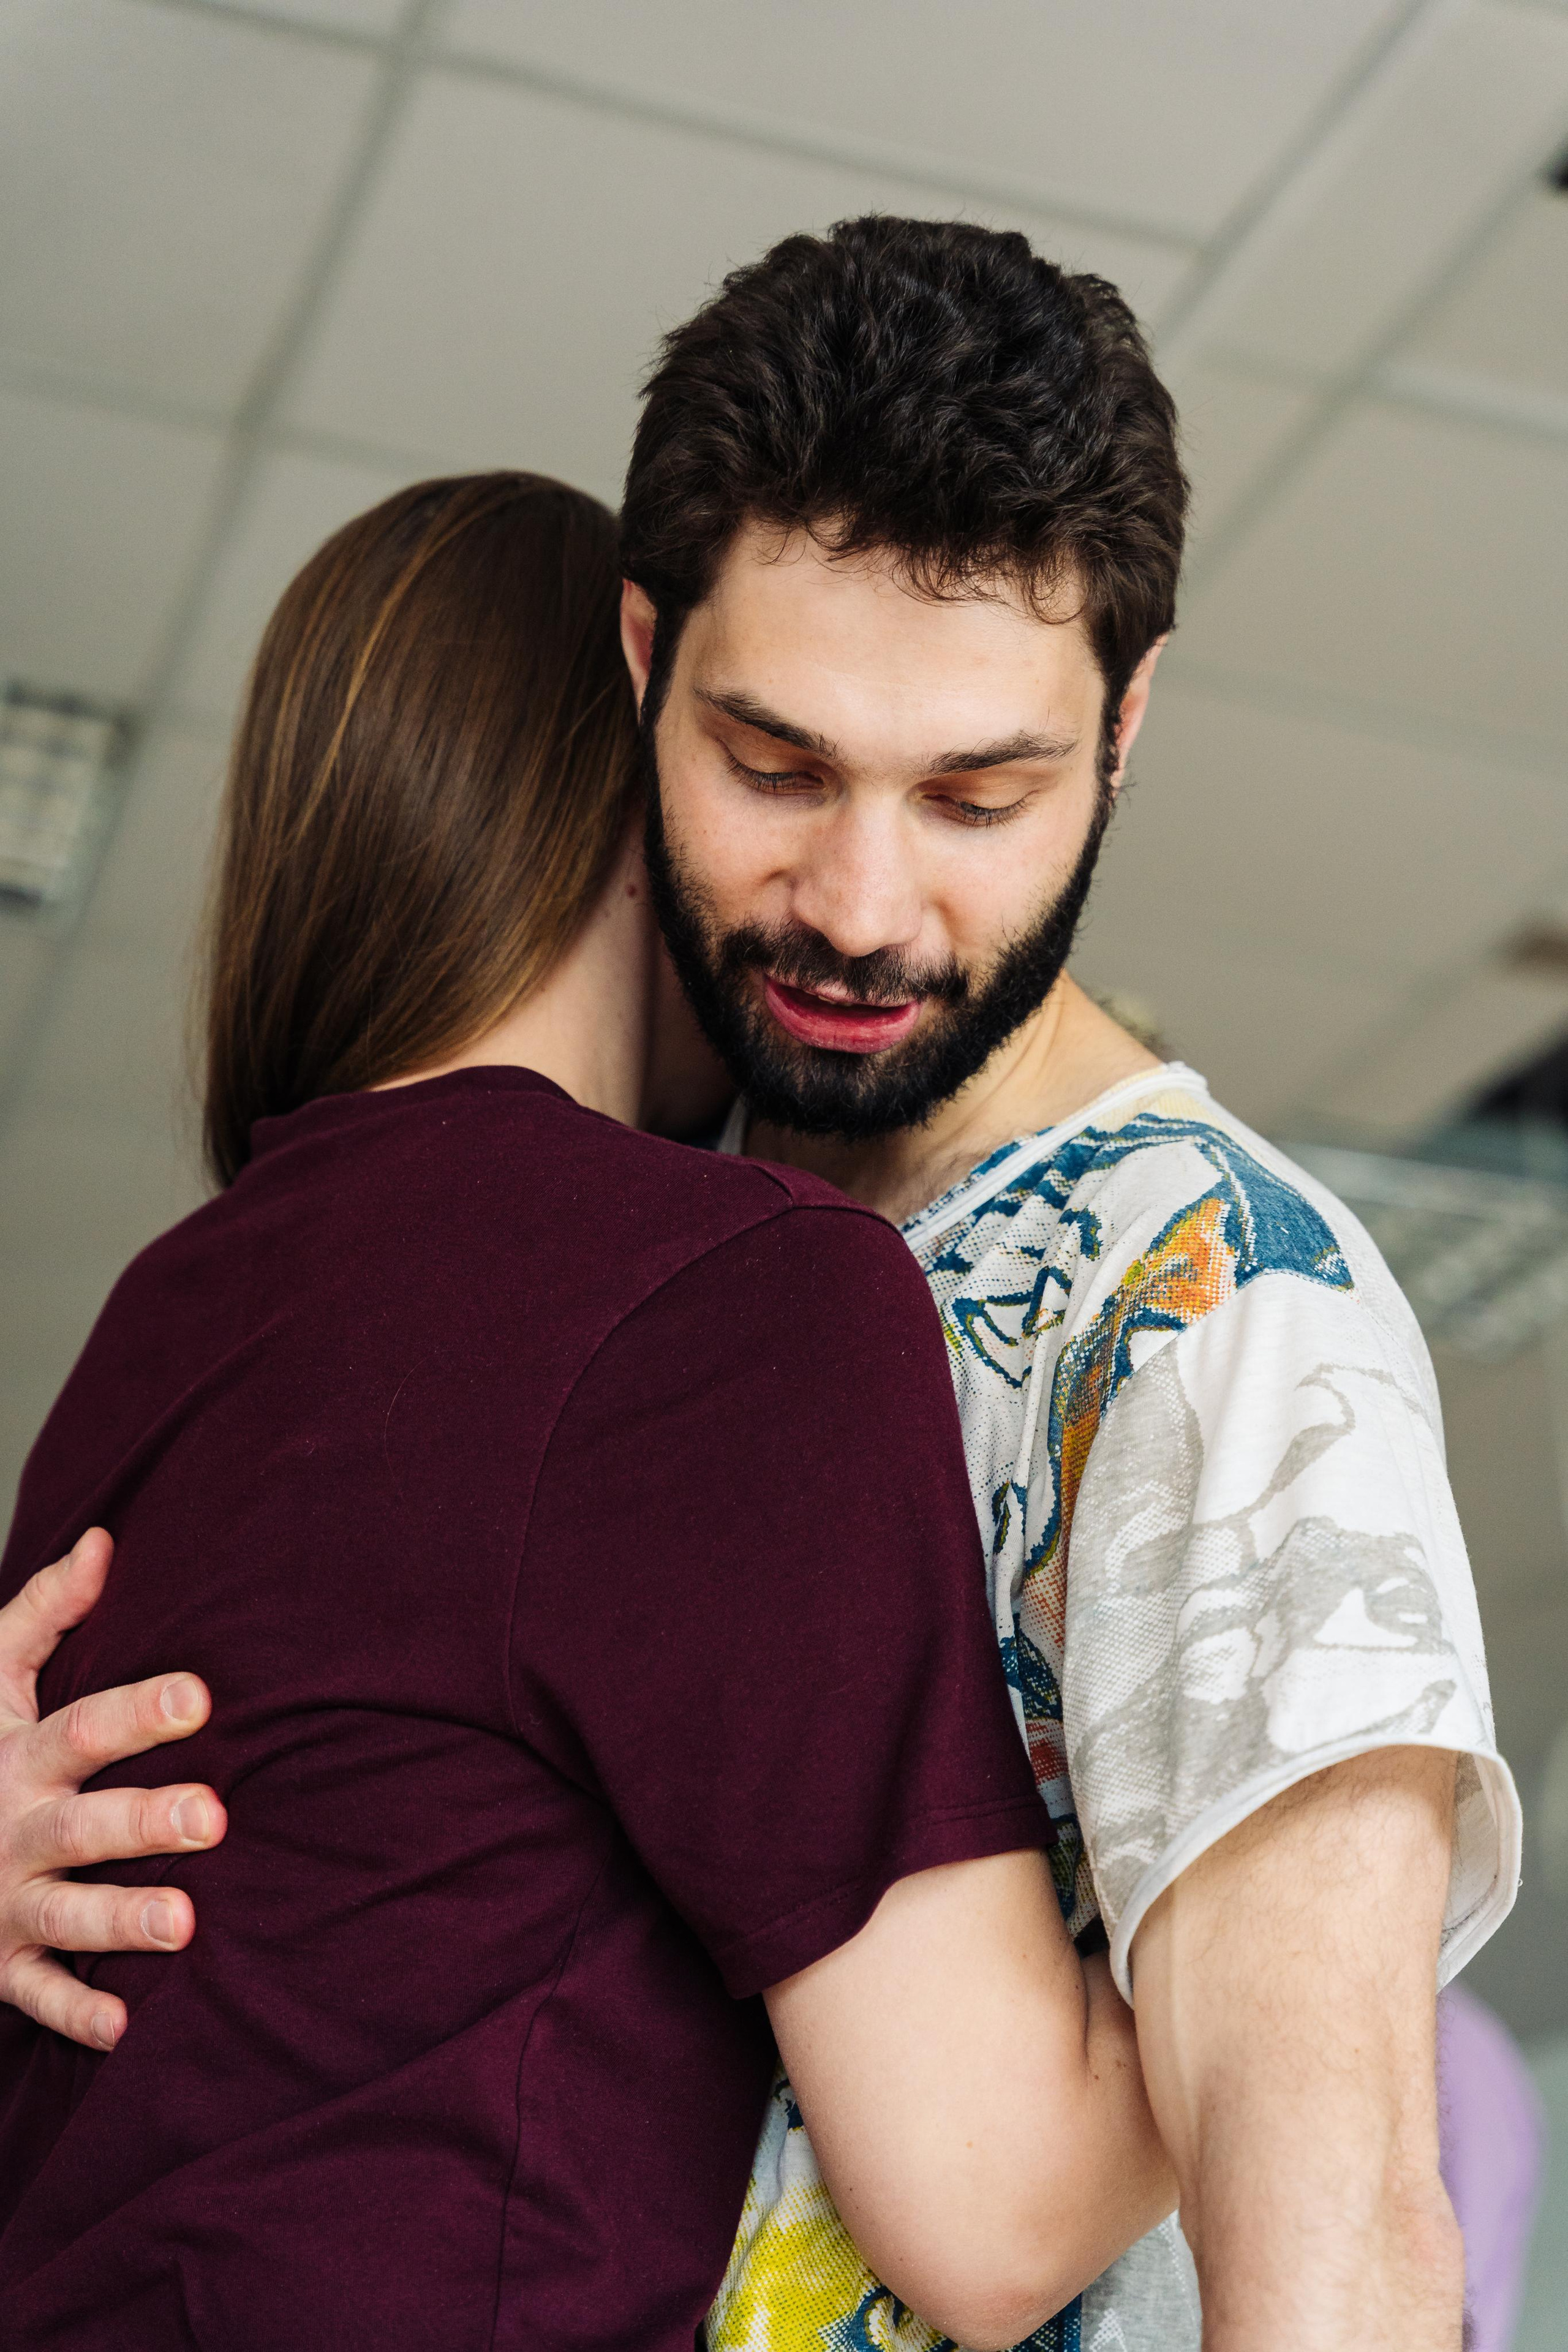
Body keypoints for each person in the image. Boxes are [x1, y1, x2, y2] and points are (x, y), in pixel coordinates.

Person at [0, 217, 1524, 2349]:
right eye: (775, 768)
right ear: (640, 670)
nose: (861, 904)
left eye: (979, 794)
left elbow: (1344, 2242)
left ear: (1127, 725)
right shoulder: (659, 1252)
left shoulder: (1218, 1314)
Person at [0, 472, 1175, 2350]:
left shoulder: (166, 1316)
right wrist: (1309, 1882)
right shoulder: (724, 1296)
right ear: (642, 788)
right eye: (765, 770)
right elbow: (995, 2203)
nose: (838, 902)